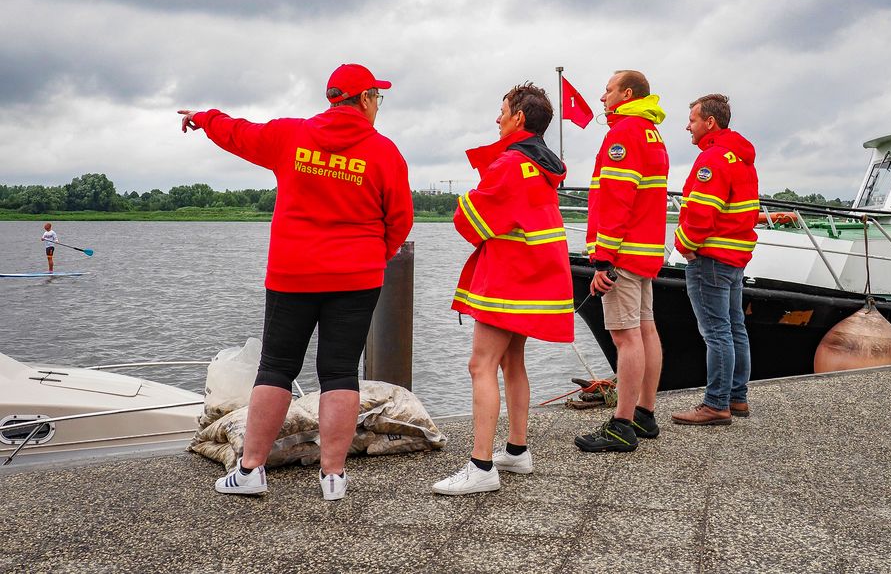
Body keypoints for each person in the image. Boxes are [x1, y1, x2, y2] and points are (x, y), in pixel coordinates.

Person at [178, 63, 413, 500]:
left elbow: (239, 133)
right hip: (357, 277)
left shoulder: (292, 136)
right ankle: (333, 478)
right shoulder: (384, 152)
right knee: (341, 372)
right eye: (377, 96)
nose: (378, 104)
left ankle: (250, 471)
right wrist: (371, 256)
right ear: (363, 99)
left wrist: (204, 117)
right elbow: (400, 219)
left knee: (276, 368)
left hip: (293, 273)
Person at [432, 83, 573, 495]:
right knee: (513, 363)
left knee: (481, 365)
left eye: (502, 112)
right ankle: (516, 450)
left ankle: (481, 466)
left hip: (509, 281)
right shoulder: (543, 166)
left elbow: (471, 222)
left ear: (519, 119)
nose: (497, 119)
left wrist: (464, 200)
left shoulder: (511, 163)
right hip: (534, 278)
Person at [574, 70, 668, 453]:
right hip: (645, 252)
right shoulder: (652, 132)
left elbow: (616, 199)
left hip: (623, 254)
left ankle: (621, 424)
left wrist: (602, 261)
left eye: (608, 90)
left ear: (626, 93)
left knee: (625, 337)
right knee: (646, 330)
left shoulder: (625, 132)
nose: (602, 97)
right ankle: (645, 413)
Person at [670, 94, 758, 426]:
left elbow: (702, 214)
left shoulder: (713, 159)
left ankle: (716, 404)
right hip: (734, 257)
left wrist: (684, 245)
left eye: (692, 120)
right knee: (735, 328)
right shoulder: (741, 158)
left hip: (710, 258)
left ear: (709, 123)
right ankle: (736, 398)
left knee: (717, 332)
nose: (687, 127)